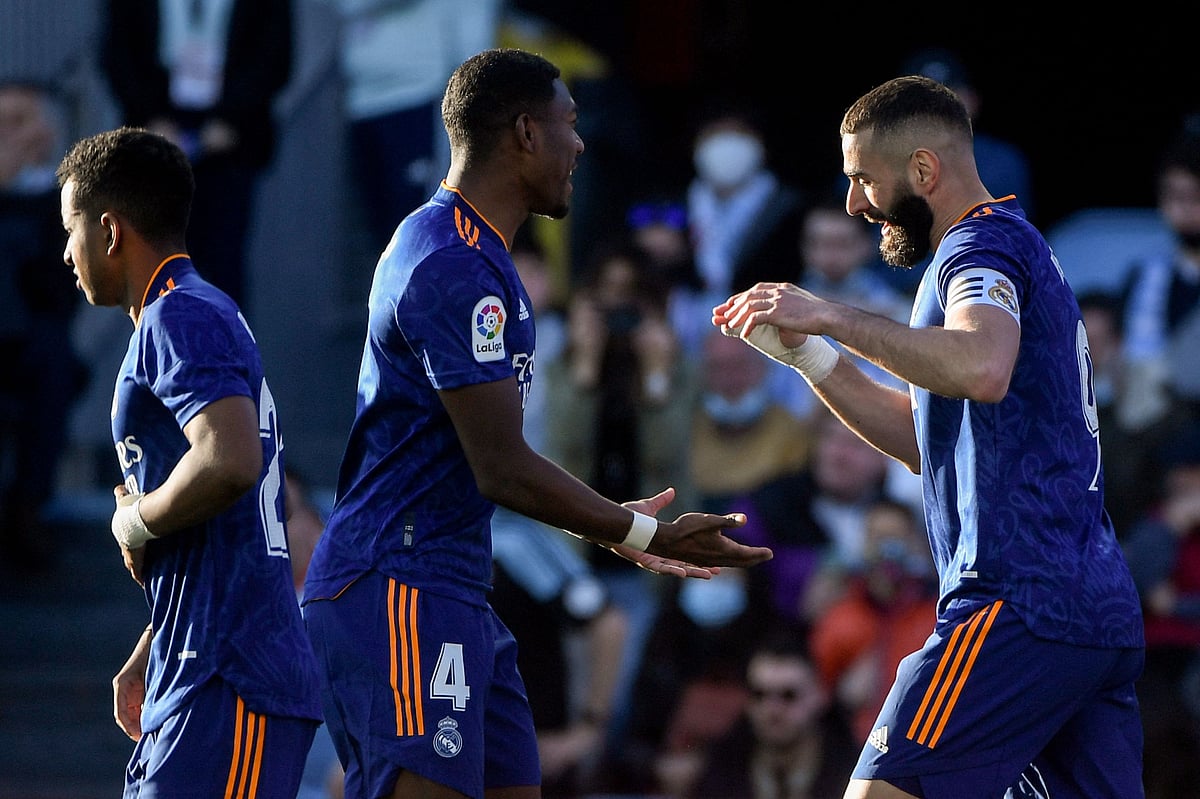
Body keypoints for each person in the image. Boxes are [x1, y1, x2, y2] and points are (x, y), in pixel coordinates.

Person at [300, 48, 772, 799]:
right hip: (399, 584)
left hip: (456, 584)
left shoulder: (476, 255)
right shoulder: (452, 264)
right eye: (568, 123)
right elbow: (501, 466)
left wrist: (617, 524)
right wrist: (640, 533)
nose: (579, 144)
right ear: (525, 132)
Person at [714, 75, 1145, 798]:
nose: (854, 203)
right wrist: (810, 355)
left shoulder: (979, 246)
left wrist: (832, 315)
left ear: (922, 169)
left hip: (1016, 602)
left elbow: (980, 365)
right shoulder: (1010, 247)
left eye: (862, 178)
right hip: (1091, 612)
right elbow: (930, 443)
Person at [57, 127, 322, 796]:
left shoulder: (180, 315)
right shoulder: (190, 312)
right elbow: (231, 522)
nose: (66, 252)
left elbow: (230, 460)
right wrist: (158, 638)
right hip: (196, 664)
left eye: (70, 229)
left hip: (232, 676)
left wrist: (134, 521)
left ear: (109, 231)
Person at [100, 0, 294, 309]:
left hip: (231, 140)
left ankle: (224, 338)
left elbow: (273, 53)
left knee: (224, 259)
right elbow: (119, 51)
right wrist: (151, 118)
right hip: (157, 135)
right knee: (159, 262)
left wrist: (232, 117)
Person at [0, 80, 85, 569]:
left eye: (18, 122)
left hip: (32, 343)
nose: (8, 136)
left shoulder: (64, 205)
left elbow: (64, 292)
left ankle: (28, 507)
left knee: (53, 364)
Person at [1117, 123, 1200, 425]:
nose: (1182, 207)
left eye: (1194, 195)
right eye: (1172, 195)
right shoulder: (1146, 273)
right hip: (1156, 425)